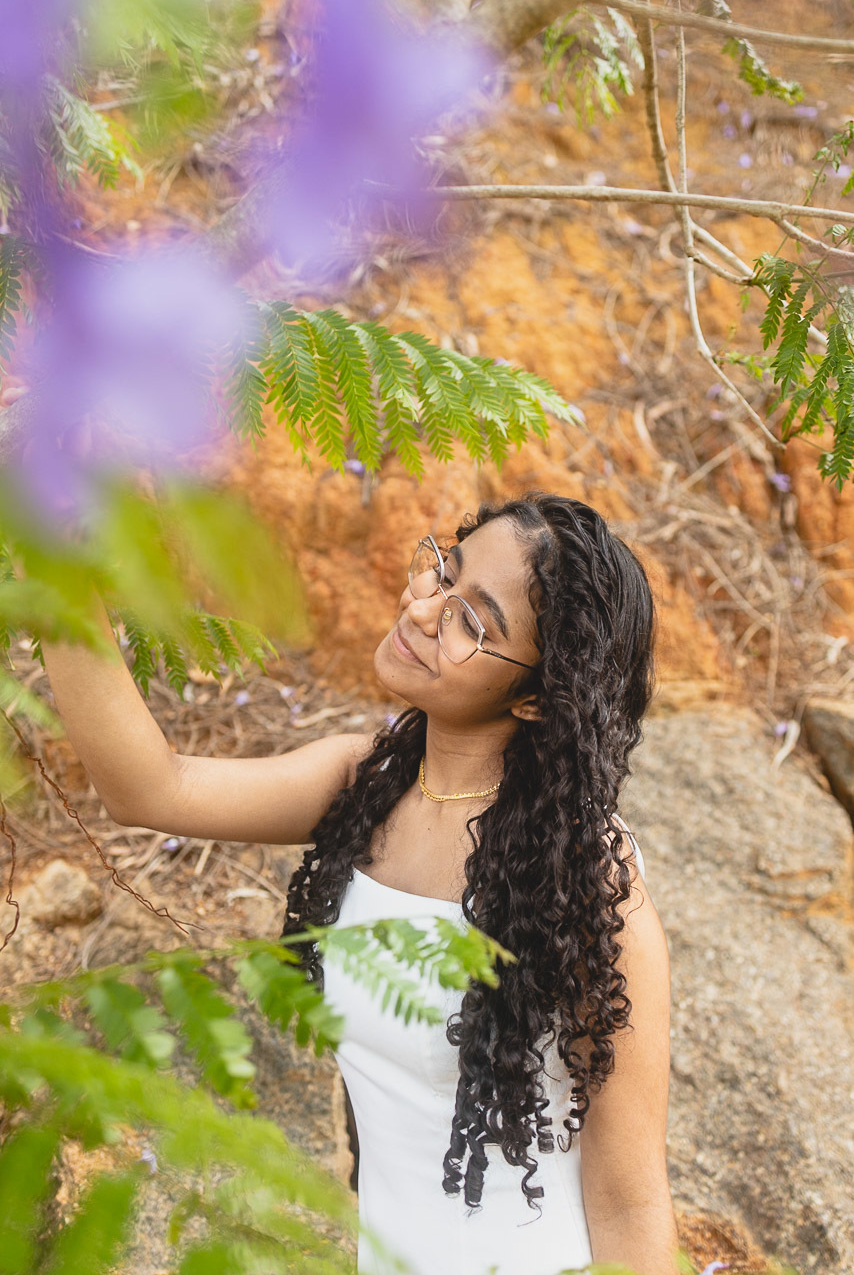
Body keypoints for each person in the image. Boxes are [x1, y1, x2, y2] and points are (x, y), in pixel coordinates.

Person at [27, 480, 677, 1275]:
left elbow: (630, 1201)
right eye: (444, 571)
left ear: (542, 700)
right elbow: (147, 789)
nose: (420, 610)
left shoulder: (587, 885)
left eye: (472, 621)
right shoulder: (366, 784)